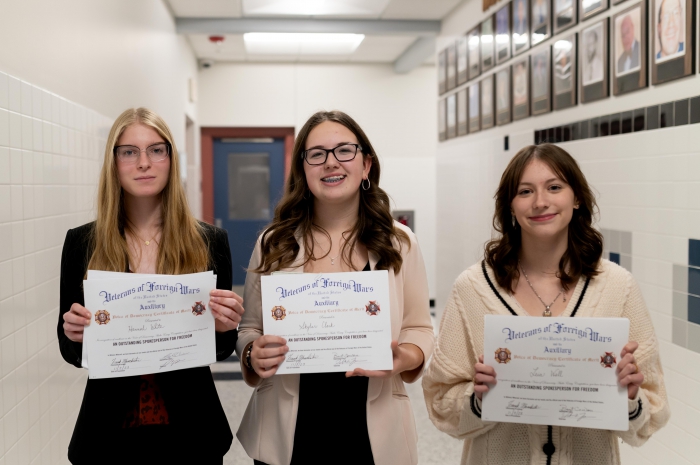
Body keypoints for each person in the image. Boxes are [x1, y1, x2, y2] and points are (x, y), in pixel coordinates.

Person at [422, 144, 670, 464]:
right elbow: (441, 403)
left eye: (554, 187)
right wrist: (478, 398)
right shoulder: (473, 288)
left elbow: (652, 414)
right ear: (510, 206)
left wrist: (630, 398)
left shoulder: (618, 287)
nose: (540, 202)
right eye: (525, 191)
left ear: (576, 198)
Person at [235, 111, 434, 465]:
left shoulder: (400, 243)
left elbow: (418, 327)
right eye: (317, 154)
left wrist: (404, 356)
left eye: (344, 150)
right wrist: (253, 352)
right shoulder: (274, 242)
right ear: (303, 168)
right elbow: (250, 328)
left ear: (366, 164)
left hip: (372, 434)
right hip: (288, 432)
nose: (331, 163)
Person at [58, 108, 244, 464]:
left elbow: (221, 350)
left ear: (171, 160)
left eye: (156, 150)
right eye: (129, 151)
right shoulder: (83, 242)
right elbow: (70, 351)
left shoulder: (209, 241)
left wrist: (226, 326)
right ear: (114, 162)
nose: (144, 162)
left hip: (192, 431)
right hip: (107, 433)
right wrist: (73, 332)